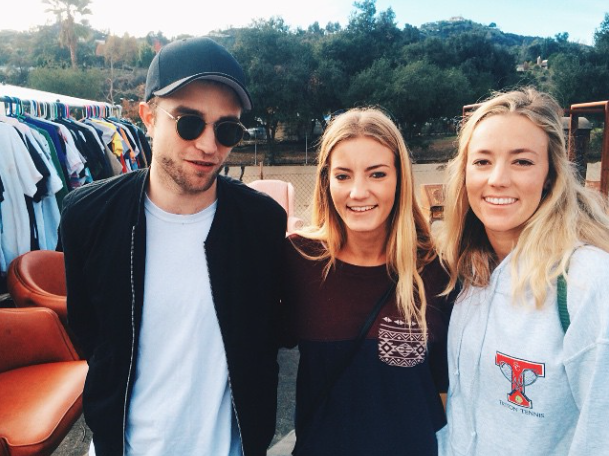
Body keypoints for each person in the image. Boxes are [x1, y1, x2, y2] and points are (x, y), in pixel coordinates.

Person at [58, 36, 287, 456]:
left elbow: (266, 339)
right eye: (188, 122)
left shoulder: (262, 223)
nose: (207, 144)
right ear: (147, 116)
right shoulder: (87, 215)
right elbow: (90, 331)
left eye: (227, 129)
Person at [436, 87, 609, 456]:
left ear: (550, 175)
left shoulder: (587, 282)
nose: (498, 179)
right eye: (482, 161)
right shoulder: (465, 274)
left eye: (522, 162)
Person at [280, 107, 455, 456]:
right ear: (326, 181)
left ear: (399, 179)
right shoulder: (298, 259)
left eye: (376, 174)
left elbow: (446, 388)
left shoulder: (436, 270)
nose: (358, 192)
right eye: (343, 176)